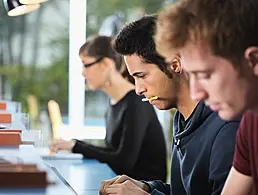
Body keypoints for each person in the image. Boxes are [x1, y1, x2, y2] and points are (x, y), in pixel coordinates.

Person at [99, 15, 240, 195]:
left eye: (141, 76)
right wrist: (147, 187)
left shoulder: (227, 129)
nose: (138, 89)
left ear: (175, 64)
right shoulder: (182, 119)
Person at [154, 0, 258, 194]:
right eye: (190, 75)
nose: (196, 93)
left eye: (205, 75)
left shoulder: (235, 126)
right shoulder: (251, 123)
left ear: (253, 61)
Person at [50, 35, 167, 182]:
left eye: (86, 65)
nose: (82, 72)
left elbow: (123, 161)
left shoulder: (136, 103)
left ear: (105, 64)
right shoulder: (113, 102)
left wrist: (77, 146)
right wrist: (75, 144)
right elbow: (112, 152)